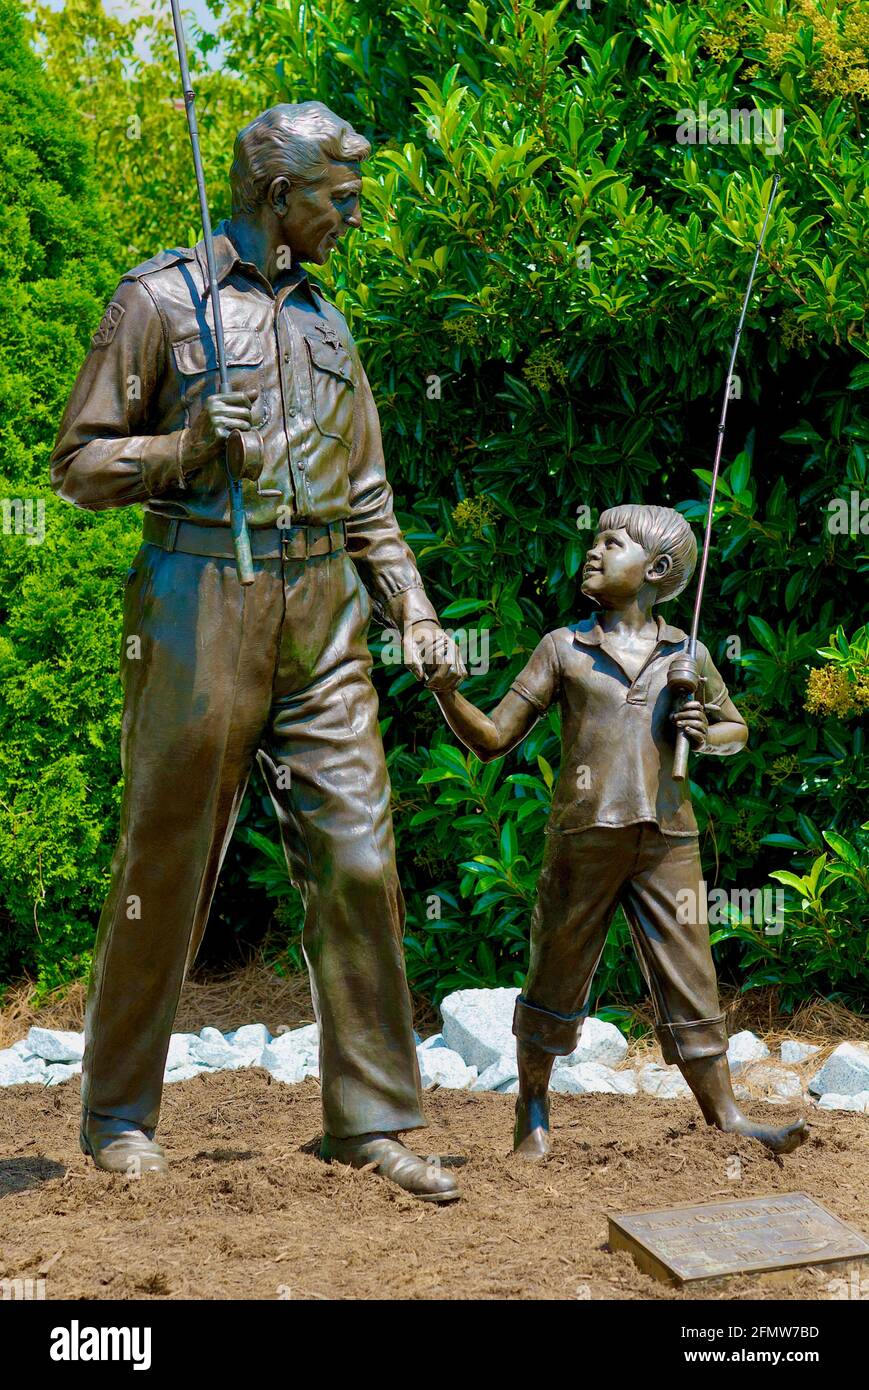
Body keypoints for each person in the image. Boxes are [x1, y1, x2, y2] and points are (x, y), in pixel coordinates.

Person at [50, 102, 465, 1201]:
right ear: (277, 197)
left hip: (324, 607)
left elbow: (368, 494)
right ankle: (117, 1114)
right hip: (197, 597)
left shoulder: (329, 322)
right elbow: (78, 466)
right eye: (338, 200)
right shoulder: (156, 300)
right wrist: (183, 448)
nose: (352, 219)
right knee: (167, 859)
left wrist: (411, 607)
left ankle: (368, 1121)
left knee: (360, 857)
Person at [430, 503, 808, 1159]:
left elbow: (735, 730)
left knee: (691, 974)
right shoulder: (563, 648)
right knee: (555, 969)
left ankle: (724, 1116)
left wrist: (704, 733)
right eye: (594, 541)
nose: (595, 552)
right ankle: (532, 1113)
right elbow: (492, 739)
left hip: (667, 836)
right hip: (584, 833)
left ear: (657, 569)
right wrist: (445, 693)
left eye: (612, 543)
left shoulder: (685, 654)